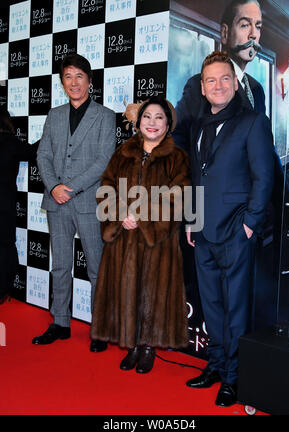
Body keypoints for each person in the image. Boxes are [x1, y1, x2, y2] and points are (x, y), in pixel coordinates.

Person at [185, 51, 275, 406]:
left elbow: (263, 176)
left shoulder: (253, 121)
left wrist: (251, 225)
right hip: (204, 232)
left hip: (238, 231)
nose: (218, 85)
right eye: (211, 80)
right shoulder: (196, 126)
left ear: (235, 85)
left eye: (225, 79)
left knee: (237, 308)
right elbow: (196, 178)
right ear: (203, 89)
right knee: (212, 306)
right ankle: (216, 366)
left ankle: (234, 379)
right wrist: (192, 221)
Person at [90, 96, 190, 374]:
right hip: (124, 237)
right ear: (138, 121)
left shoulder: (177, 156)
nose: (152, 123)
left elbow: (178, 196)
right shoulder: (122, 152)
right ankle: (133, 343)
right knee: (128, 289)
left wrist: (142, 216)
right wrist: (121, 214)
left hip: (157, 239)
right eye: (147, 117)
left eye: (159, 117)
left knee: (152, 292)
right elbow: (106, 186)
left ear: (168, 123)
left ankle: (148, 347)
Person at [33, 54, 116, 351]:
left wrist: (71, 187)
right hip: (57, 202)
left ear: (90, 81)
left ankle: (100, 329)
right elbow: (43, 154)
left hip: (88, 201)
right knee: (60, 265)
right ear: (62, 82)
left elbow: (104, 160)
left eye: (79, 76)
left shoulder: (105, 116)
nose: (74, 82)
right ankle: (60, 323)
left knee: (96, 267)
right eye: (68, 76)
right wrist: (54, 186)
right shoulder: (54, 115)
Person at [173, 0, 265, 152]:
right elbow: (177, 139)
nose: (253, 35)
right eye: (245, 25)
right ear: (224, 33)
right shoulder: (198, 85)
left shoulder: (257, 89)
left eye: (258, 27)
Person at [0, 108, 37, 304]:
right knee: (6, 246)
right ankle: (5, 289)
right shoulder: (11, 143)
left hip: (5, 203)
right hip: (5, 204)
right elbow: (33, 152)